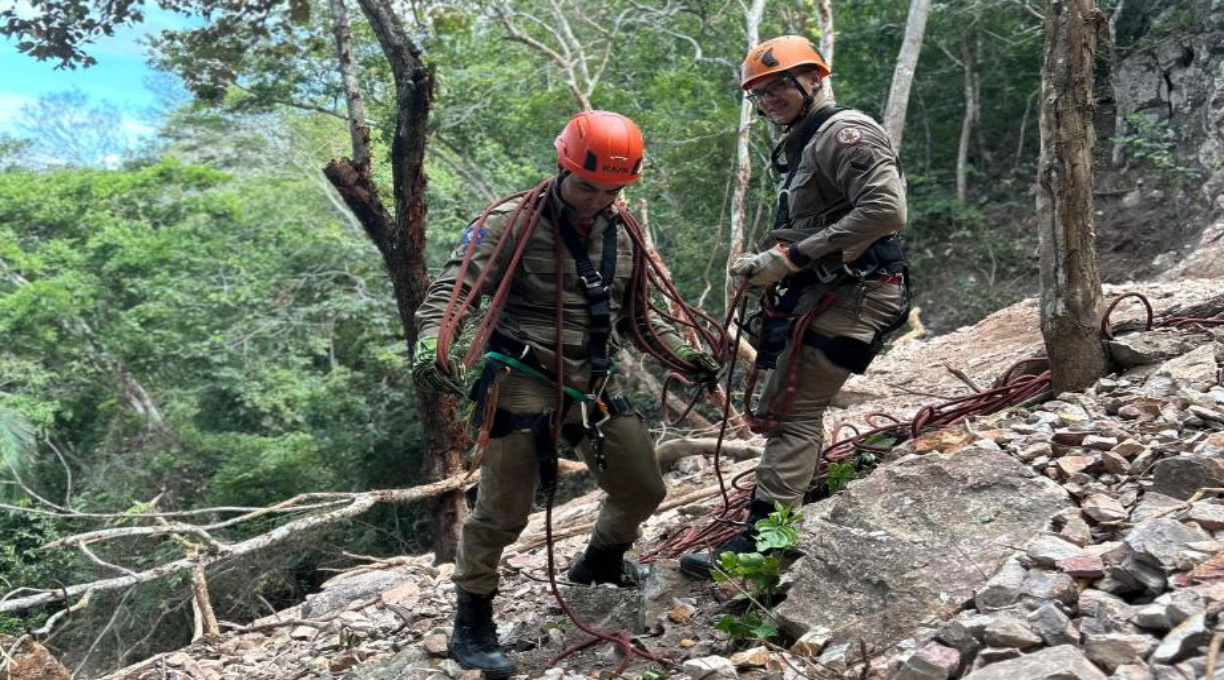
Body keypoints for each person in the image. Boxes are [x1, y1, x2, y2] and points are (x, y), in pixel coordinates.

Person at [412, 110, 720, 678]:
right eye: (587, 187)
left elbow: (640, 320)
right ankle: (471, 623)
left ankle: (599, 563)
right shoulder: (510, 222)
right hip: (521, 377)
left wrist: (688, 356)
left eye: (612, 191)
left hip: (591, 382)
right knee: (503, 514)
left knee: (643, 487)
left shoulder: (623, 234)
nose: (596, 201)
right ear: (562, 168)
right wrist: (435, 345)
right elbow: (454, 292)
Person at [680, 35, 910, 578]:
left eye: (779, 84)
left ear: (814, 79)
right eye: (758, 92)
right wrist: (779, 260)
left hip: (858, 292)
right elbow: (823, 222)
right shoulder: (805, 142)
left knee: (796, 411)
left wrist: (791, 258)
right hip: (831, 289)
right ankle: (787, 510)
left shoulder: (842, 133)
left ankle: (762, 545)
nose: (769, 99)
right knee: (788, 405)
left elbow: (886, 210)